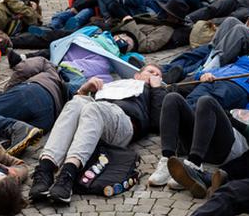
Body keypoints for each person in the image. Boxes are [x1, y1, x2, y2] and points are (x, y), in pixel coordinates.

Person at [29, 63, 166, 205]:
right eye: (151, 71)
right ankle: (45, 169)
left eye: (158, 75)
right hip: (94, 117)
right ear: (137, 75)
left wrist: (157, 88)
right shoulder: (117, 84)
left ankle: (69, 173)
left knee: (93, 108)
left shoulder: (153, 91)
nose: (154, 75)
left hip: (123, 121)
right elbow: (75, 113)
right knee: (76, 103)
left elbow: (158, 122)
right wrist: (84, 89)